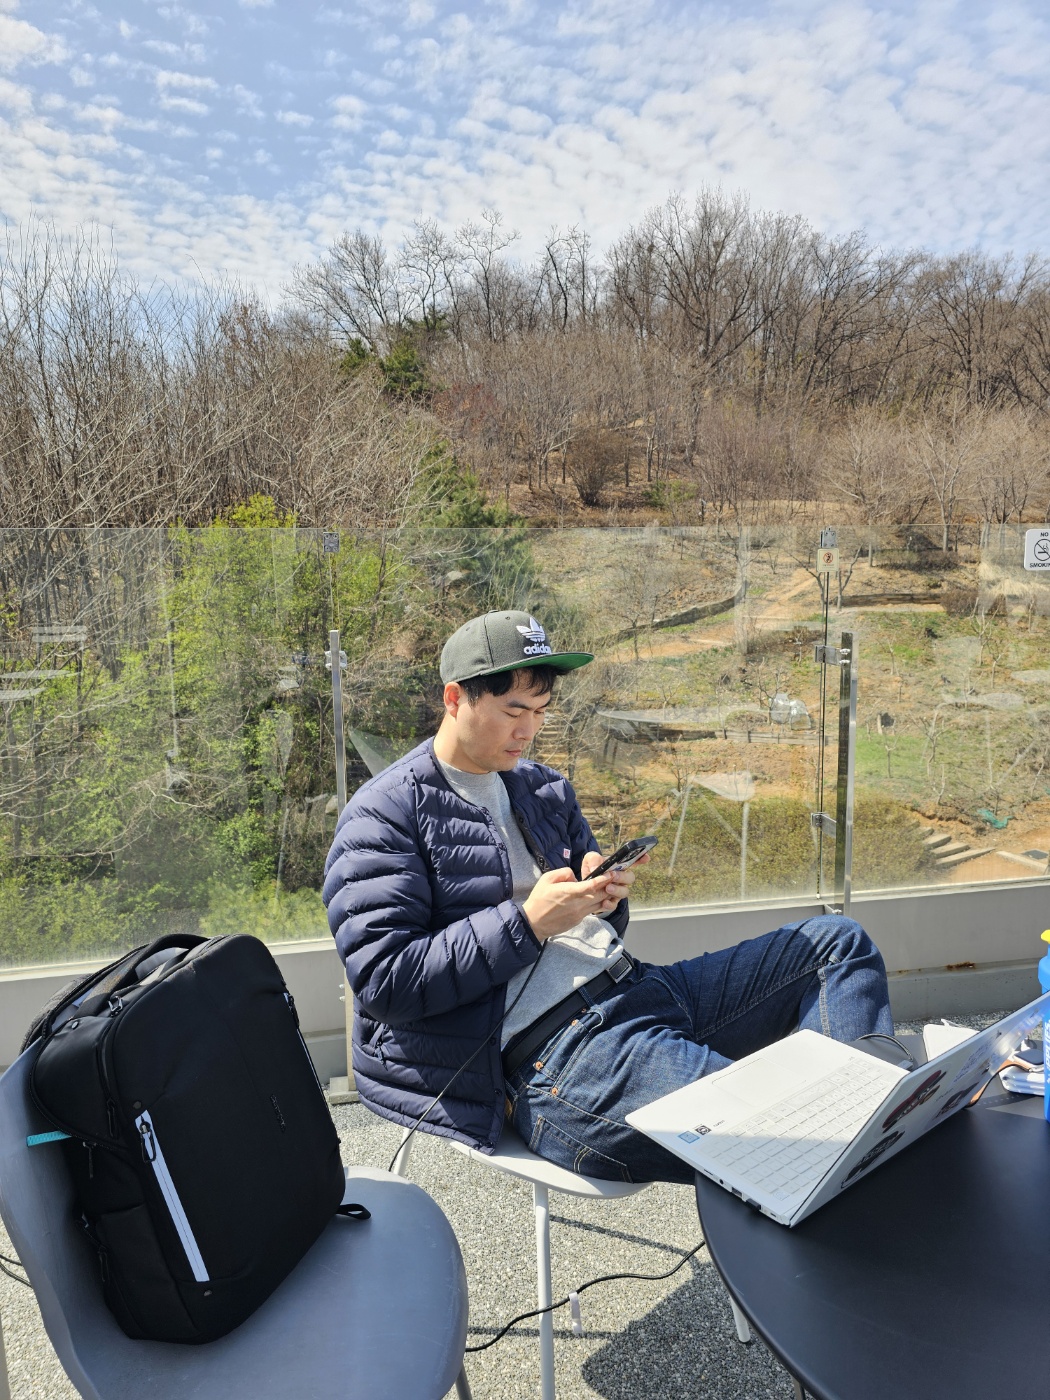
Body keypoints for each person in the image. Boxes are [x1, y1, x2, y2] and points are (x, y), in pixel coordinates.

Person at [323, 610, 893, 1183]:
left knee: (837, 945)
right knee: (773, 1133)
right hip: (557, 1054)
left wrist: (607, 899)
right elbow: (385, 982)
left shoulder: (543, 789)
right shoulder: (384, 815)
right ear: (455, 698)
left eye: (541, 712)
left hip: (637, 988)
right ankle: (847, 1155)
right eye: (514, 712)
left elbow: (600, 930)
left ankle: (861, 1130)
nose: (528, 731)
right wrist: (527, 924)